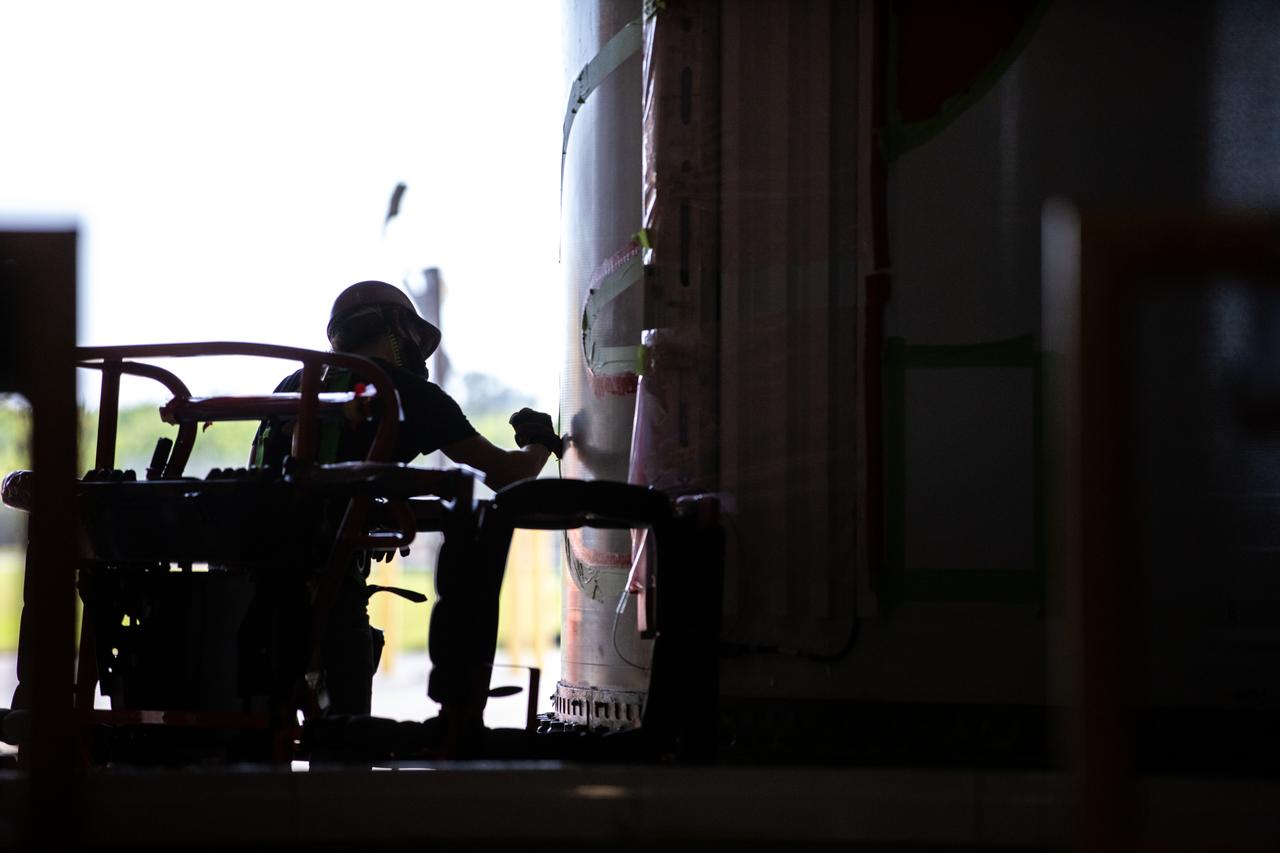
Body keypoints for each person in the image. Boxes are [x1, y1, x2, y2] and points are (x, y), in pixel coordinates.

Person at [250, 280, 563, 726]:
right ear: (399, 330)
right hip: (326, 578)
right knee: (345, 693)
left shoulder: (294, 383)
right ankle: (348, 754)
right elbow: (509, 476)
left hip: (254, 576)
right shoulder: (402, 392)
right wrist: (539, 441)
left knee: (265, 716)